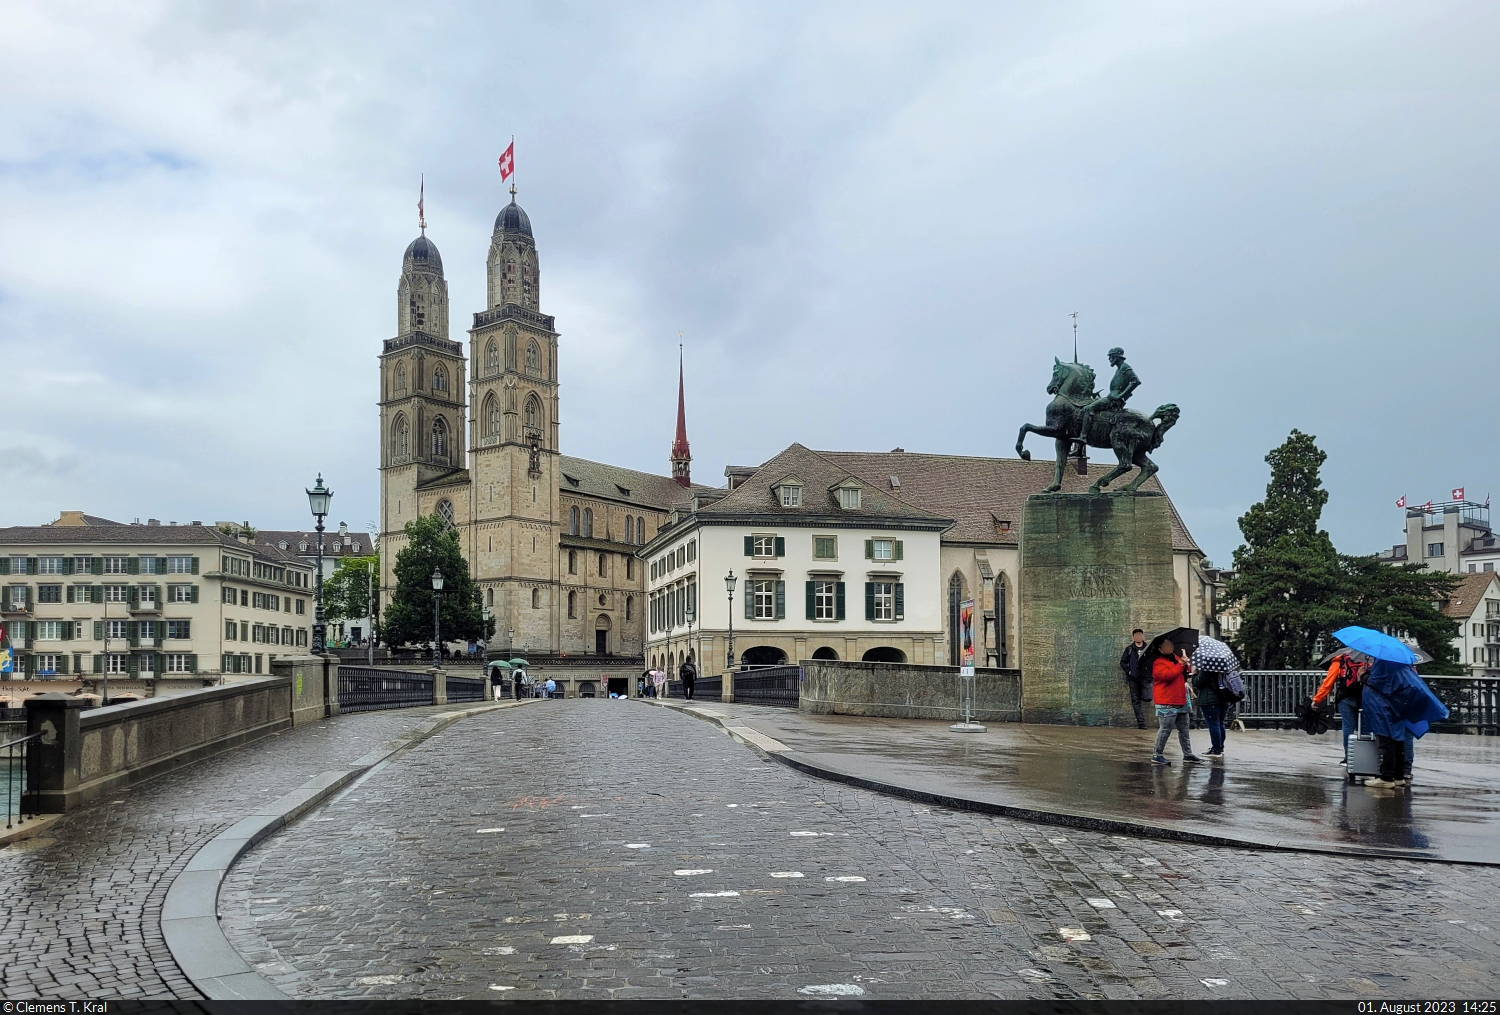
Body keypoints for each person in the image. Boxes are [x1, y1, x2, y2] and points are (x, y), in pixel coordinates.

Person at [1076, 347, 1141, 454]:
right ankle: (1079, 448)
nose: (1110, 359)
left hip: (1113, 399)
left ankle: (1083, 437)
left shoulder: (1125, 368)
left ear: (1117, 356)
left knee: (1088, 408)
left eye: (1111, 356)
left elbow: (1135, 381)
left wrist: (1121, 395)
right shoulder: (1119, 369)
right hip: (1111, 396)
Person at [1151, 637, 1202, 766]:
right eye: (1166, 645)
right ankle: (1157, 754)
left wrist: (1186, 665)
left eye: (1170, 644)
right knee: (1165, 729)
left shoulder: (1177, 658)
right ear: (1160, 649)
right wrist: (1180, 665)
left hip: (1181, 698)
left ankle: (1188, 754)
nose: (1170, 647)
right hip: (1167, 700)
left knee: (1184, 729)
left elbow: (1184, 674)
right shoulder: (1158, 662)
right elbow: (1167, 676)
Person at [1313, 654, 1366, 766]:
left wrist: (1317, 700)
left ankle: (1348, 758)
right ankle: (1367, 758)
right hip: (1365, 698)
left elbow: (1328, 683)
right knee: (1366, 728)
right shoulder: (1369, 659)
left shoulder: (1340, 660)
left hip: (1345, 698)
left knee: (1348, 728)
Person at [1191, 661, 1226, 756]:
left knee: (1214, 724)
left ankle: (1216, 749)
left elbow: (1198, 682)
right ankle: (1220, 747)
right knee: (1220, 723)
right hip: (1225, 698)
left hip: (1210, 699)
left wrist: (1194, 673)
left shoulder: (1208, 666)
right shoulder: (1225, 664)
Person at [1118, 629, 1151, 729]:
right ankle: (1141, 723)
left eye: (1140, 635)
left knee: (1148, 697)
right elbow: (1122, 662)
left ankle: (1142, 694)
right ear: (1133, 637)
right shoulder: (1129, 649)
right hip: (1133, 678)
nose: (1138, 637)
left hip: (1145, 678)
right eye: (1136, 635)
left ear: (1142, 636)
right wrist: (1129, 671)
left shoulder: (1148, 648)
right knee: (1135, 701)